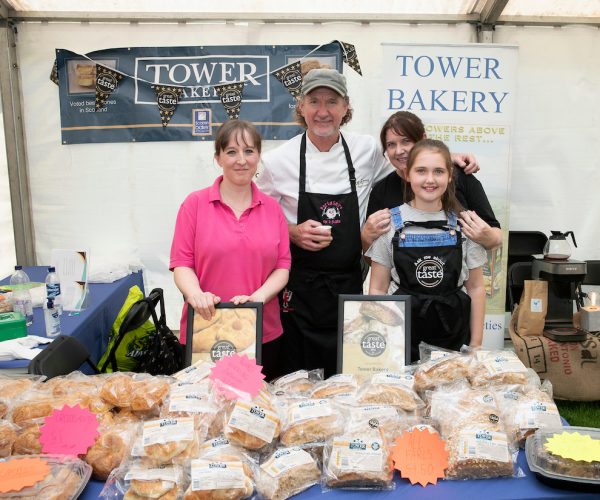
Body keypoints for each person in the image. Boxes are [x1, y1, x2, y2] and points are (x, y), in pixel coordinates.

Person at [257, 69, 478, 377]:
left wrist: (448, 158)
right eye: (314, 101)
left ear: (346, 107)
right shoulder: (277, 160)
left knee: (348, 375)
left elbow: (411, 163)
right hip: (299, 291)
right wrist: (291, 231)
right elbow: (259, 218)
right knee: (297, 376)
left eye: (332, 102)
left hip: (350, 285)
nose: (323, 111)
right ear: (300, 106)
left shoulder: (366, 150)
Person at [170, 120, 291, 380]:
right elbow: (182, 263)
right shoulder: (195, 205)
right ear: (218, 158)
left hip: (262, 333)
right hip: (205, 331)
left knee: (256, 414)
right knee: (208, 415)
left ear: (259, 156)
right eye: (232, 152)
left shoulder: (272, 209)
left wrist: (258, 298)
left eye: (249, 151)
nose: (241, 160)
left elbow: (282, 267)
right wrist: (195, 294)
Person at [368, 139, 486, 361]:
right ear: (408, 174)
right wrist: (382, 344)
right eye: (421, 171)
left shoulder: (465, 225)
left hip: (454, 334)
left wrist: (476, 344)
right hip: (401, 337)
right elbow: (377, 289)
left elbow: (477, 288)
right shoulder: (388, 224)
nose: (430, 179)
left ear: (450, 175)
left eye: (438, 171)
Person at [362, 111, 502, 254]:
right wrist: (366, 238)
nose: (399, 151)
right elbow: (374, 259)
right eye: (391, 144)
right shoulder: (381, 191)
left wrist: (489, 238)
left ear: (423, 139)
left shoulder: (460, 177)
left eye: (406, 141)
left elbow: (495, 235)